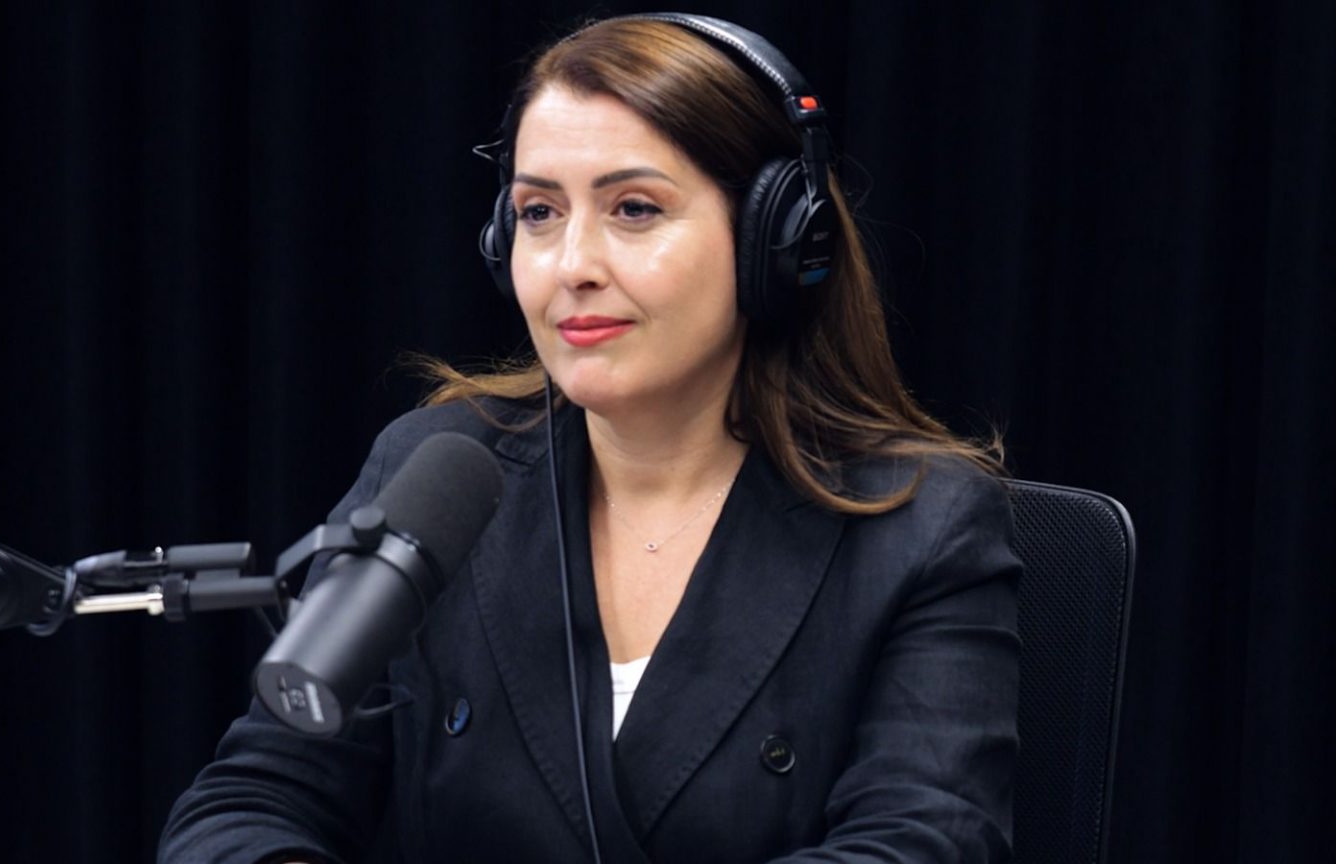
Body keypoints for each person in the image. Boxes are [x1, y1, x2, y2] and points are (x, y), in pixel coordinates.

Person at [160, 13, 1019, 864]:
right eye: (538, 212)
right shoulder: (435, 471)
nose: (571, 264)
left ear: (777, 239)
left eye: (634, 208)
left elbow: (922, 842)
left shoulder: (920, 525)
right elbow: (251, 799)